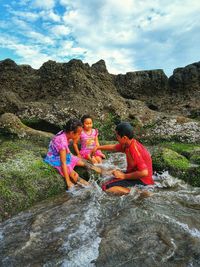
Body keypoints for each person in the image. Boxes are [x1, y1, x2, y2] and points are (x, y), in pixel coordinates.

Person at [92, 122, 154, 195]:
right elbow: (114, 147)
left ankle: (138, 193)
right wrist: (98, 147)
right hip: (136, 175)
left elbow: (144, 172)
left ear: (124, 138)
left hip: (143, 181)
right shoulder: (127, 144)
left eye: (117, 136)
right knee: (110, 175)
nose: (116, 138)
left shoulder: (134, 149)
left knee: (105, 188)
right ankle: (133, 189)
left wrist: (124, 176)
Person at [44, 118, 89, 189]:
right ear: (71, 133)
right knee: (75, 175)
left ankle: (100, 170)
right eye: (79, 134)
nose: (80, 136)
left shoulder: (64, 133)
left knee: (82, 162)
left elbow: (66, 150)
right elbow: (63, 163)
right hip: (55, 159)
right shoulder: (62, 142)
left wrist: (71, 155)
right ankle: (89, 187)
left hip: (63, 155)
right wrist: (68, 182)